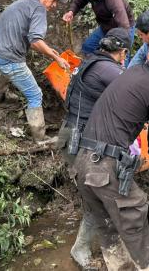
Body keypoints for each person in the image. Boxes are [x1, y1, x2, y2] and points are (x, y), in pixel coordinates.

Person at [74, 39, 149, 270]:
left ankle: (120, 266)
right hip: (105, 164)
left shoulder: (128, 73)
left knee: (107, 224)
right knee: (134, 215)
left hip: (82, 159)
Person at [57, 28, 131, 269]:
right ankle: (81, 249)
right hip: (82, 142)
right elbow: (134, 89)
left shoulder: (91, 61)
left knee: (97, 194)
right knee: (98, 197)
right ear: (121, 52)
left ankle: (104, 239)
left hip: (70, 135)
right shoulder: (108, 69)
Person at [0, 0, 70, 142]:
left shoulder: (23, 4)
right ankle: (40, 138)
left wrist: (50, 51)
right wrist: (56, 58)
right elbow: (35, 41)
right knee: (35, 94)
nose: (55, 5)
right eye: (53, 0)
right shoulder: (39, 10)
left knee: (8, 68)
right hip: (8, 57)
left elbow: (30, 36)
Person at [62, 0, 135, 62]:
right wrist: (71, 12)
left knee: (121, 61)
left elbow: (124, 27)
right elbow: (78, 1)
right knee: (88, 47)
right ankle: (96, 66)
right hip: (105, 26)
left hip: (124, 29)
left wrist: (121, 50)